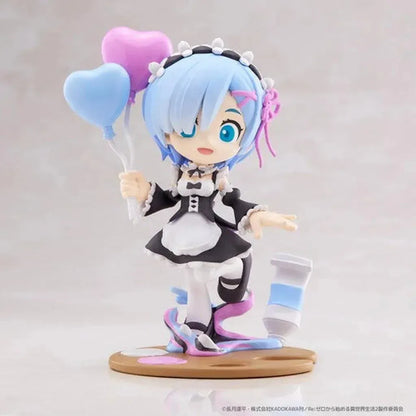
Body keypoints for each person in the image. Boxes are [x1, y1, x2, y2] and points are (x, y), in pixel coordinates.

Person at [119, 39, 297, 355]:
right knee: (195, 281)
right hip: (180, 232)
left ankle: (231, 294)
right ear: (167, 127)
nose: (208, 142)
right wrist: (143, 192)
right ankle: (196, 328)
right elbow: (168, 198)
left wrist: (258, 215)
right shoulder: (181, 176)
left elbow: (233, 201)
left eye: (226, 131)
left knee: (234, 263)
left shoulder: (218, 180)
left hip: (210, 232)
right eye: (188, 128)